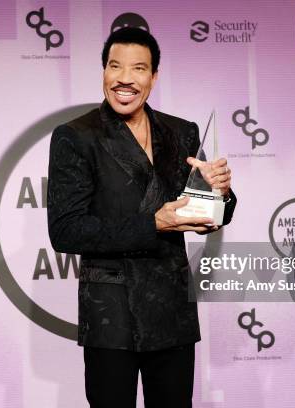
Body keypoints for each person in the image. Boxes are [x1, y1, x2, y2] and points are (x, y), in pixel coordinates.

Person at [47, 27, 237, 408]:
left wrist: (222, 193)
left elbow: (214, 213)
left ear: (154, 76)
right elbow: (66, 231)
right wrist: (155, 224)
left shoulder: (181, 132)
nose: (125, 78)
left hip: (172, 310)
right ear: (103, 72)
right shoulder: (76, 136)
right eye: (115, 66)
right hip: (111, 313)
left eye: (138, 68)